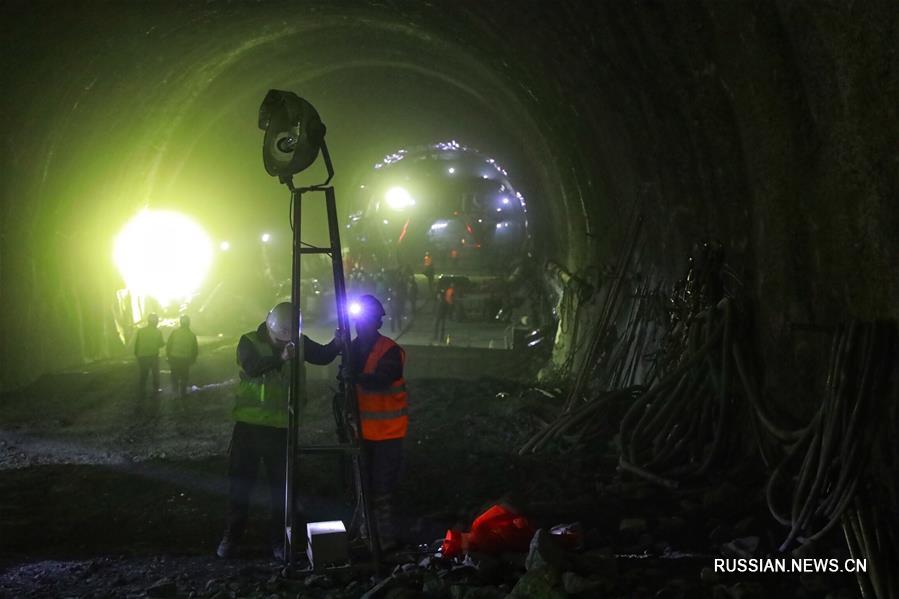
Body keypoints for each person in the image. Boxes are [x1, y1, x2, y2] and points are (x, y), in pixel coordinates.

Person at [216, 302, 339, 560]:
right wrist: (280, 358)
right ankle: (232, 538)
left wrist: (338, 342)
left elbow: (323, 355)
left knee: (281, 491)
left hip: (281, 430)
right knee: (240, 487)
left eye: (288, 340)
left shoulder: (297, 341)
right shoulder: (249, 341)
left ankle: (279, 542)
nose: (285, 344)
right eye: (280, 340)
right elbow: (252, 367)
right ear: (270, 329)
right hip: (249, 429)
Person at [344, 294, 407, 552]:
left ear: (376, 322)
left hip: (387, 435)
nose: (361, 325)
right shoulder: (352, 348)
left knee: (381, 489)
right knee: (363, 488)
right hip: (362, 433)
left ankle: (386, 543)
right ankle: (367, 538)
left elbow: (382, 378)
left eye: (365, 320)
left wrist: (354, 377)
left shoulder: (390, 350)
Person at [134, 313, 165, 409]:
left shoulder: (141, 331)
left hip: (142, 355)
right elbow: (161, 344)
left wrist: (137, 353)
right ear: (155, 322)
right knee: (155, 372)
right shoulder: (158, 332)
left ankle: (142, 390)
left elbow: (137, 343)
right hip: (152, 354)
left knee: (144, 373)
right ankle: (156, 389)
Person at [166, 315, 198, 399]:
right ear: (189, 323)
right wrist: (193, 359)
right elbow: (195, 349)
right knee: (184, 376)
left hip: (174, 357)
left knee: (174, 376)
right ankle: (183, 393)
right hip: (185, 359)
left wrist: (168, 356)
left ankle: (175, 393)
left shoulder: (175, 332)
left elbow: (169, 345)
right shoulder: (192, 335)